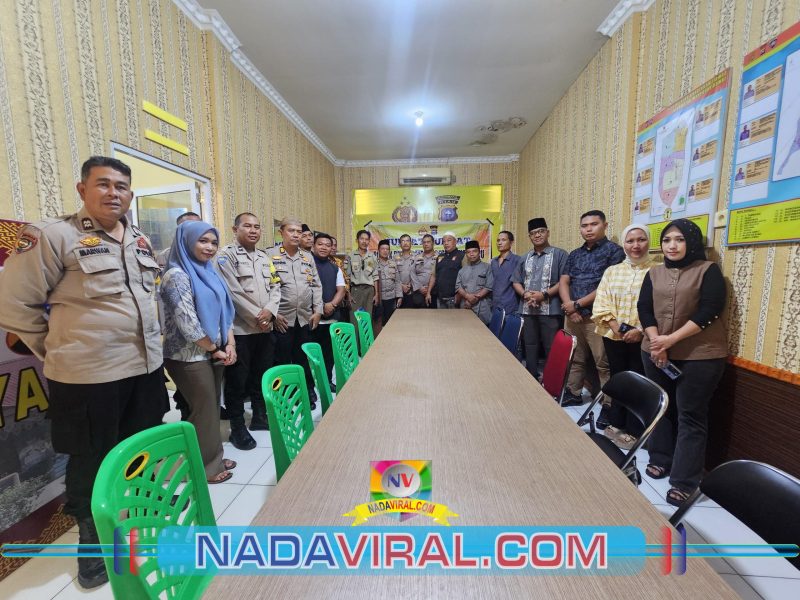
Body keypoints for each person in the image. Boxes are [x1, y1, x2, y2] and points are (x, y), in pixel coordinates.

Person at [1, 156, 169, 588]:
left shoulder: (139, 240)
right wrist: (59, 348)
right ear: (82, 189)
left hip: (145, 369)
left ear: (131, 194)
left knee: (140, 452)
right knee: (91, 459)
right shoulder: (54, 236)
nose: (114, 193)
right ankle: (93, 550)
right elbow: (14, 304)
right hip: (88, 376)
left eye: (121, 186)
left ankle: (137, 528)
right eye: (103, 184)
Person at [637, 219, 727, 507]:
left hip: (700, 354)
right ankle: (660, 457)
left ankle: (684, 480)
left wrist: (670, 340)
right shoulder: (654, 272)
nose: (672, 246)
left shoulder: (708, 270)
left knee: (691, 414)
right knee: (661, 407)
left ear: (692, 242)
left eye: (679, 240)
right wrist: (656, 342)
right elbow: (644, 308)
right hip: (655, 350)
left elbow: (710, 310)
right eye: (666, 240)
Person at [161, 222, 237, 486]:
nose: (210, 247)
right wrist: (215, 349)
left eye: (214, 242)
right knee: (203, 411)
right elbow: (189, 324)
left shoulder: (209, 271)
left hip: (213, 351)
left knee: (211, 408)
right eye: (203, 241)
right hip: (188, 356)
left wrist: (230, 344)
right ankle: (204, 468)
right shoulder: (176, 275)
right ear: (186, 242)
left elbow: (225, 312)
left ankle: (214, 458)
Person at [215, 212, 280, 450]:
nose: (253, 230)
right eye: (247, 226)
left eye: (257, 227)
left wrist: (270, 311)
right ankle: (237, 427)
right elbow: (233, 293)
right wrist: (258, 318)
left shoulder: (264, 257)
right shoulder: (225, 257)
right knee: (237, 381)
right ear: (235, 229)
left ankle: (260, 416)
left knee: (261, 375)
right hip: (241, 331)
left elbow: (276, 287)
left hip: (265, 328)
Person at [591, 224, 655, 449]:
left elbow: (661, 307)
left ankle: (635, 430)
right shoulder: (613, 271)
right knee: (619, 378)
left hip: (645, 338)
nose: (636, 245)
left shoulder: (658, 270)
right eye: (630, 241)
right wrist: (615, 325)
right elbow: (602, 301)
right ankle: (616, 422)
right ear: (624, 244)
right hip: (614, 335)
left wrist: (640, 331)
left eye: (641, 240)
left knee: (639, 382)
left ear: (649, 241)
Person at [559, 210, 625, 406]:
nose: (588, 229)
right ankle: (573, 393)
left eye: (594, 224)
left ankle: (608, 404)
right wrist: (570, 308)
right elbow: (564, 281)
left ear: (605, 226)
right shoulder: (575, 254)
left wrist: (577, 305)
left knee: (603, 363)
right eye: (584, 226)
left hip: (599, 317)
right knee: (574, 357)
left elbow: (607, 285)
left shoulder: (614, 252)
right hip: (572, 315)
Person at [272, 218, 324, 409]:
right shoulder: (269, 256)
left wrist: (318, 310)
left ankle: (307, 390)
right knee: (282, 359)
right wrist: (273, 314)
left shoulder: (307, 257)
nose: (296, 235)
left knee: (303, 357)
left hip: (304, 318)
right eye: (291, 231)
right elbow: (266, 288)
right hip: (282, 319)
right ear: (281, 233)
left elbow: (316, 285)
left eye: (299, 232)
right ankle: (285, 396)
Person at [156, 211, 201, 421]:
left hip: (206, 335)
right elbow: (164, 298)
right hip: (182, 335)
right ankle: (185, 415)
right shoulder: (167, 258)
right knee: (187, 390)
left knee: (203, 397)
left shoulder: (206, 255)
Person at [512, 218, 568, 379]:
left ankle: (551, 380)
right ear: (529, 236)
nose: (537, 235)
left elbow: (564, 281)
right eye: (533, 233)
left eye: (541, 231)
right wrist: (525, 294)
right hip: (527, 309)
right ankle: (531, 376)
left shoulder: (560, 254)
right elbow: (516, 281)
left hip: (550, 309)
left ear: (547, 233)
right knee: (529, 345)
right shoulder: (525, 257)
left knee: (551, 347)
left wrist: (544, 295)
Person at [312, 232, 346, 388]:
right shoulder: (307, 264)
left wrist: (332, 304)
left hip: (331, 317)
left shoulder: (335, 268)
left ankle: (327, 381)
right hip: (312, 318)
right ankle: (310, 385)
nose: (324, 247)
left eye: (327, 245)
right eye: (320, 244)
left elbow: (341, 289)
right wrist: (321, 306)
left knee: (329, 353)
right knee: (311, 353)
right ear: (313, 246)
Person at [344, 229, 379, 326]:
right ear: (357, 240)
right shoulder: (350, 256)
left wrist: (376, 294)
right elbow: (347, 277)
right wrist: (348, 294)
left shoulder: (372, 257)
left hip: (369, 291)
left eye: (367, 239)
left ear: (369, 241)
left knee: (367, 318)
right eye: (362, 239)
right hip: (355, 290)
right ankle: (356, 337)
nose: (364, 241)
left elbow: (375, 276)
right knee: (355, 319)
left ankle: (366, 337)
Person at [455, 240, 493, 324]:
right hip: (465, 305)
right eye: (468, 252)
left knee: (483, 330)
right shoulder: (462, 270)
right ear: (466, 254)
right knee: (465, 328)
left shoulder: (487, 267)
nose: (471, 254)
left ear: (479, 252)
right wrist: (467, 296)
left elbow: (489, 286)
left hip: (482, 307)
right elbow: (458, 287)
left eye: (474, 251)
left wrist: (475, 298)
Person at [428, 232, 464, 308]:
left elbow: (466, 278)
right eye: (444, 241)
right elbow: (433, 275)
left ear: (455, 241)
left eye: (449, 240)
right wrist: (428, 292)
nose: (446, 243)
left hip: (455, 298)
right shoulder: (440, 257)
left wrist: (460, 295)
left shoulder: (462, 256)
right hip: (440, 298)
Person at [491, 230, 523, 317]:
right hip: (495, 306)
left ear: (511, 242)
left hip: (511, 307)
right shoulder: (493, 261)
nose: (499, 243)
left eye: (503, 240)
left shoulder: (518, 260)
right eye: (498, 240)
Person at [375, 239, 403, 328]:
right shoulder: (374, 263)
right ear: (378, 250)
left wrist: (399, 296)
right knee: (378, 322)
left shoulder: (393, 264)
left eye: (387, 249)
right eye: (383, 249)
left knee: (391, 322)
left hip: (391, 297)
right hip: (379, 298)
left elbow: (397, 281)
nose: (385, 251)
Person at [411, 233, 437, 307]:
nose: (426, 244)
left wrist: (429, 289)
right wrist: (419, 287)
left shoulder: (439, 257)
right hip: (419, 292)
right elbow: (412, 273)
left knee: (434, 313)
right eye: (424, 242)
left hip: (434, 292)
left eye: (428, 242)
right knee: (419, 313)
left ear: (433, 243)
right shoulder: (417, 257)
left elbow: (440, 275)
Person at [395, 234, 416, 308]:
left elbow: (419, 274)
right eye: (403, 241)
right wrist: (402, 286)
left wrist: (411, 284)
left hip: (413, 292)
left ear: (411, 243)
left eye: (407, 241)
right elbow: (393, 275)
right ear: (400, 244)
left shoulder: (416, 257)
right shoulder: (395, 258)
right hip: (399, 292)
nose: (405, 243)